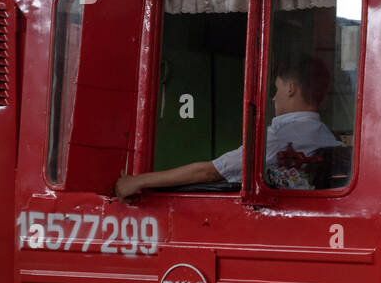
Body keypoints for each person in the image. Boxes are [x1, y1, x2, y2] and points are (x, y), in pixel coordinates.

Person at [114, 54, 341, 199]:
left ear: (291, 88)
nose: (273, 98)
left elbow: (211, 172)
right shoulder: (328, 138)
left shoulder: (280, 138)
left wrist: (138, 181)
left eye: (277, 89)